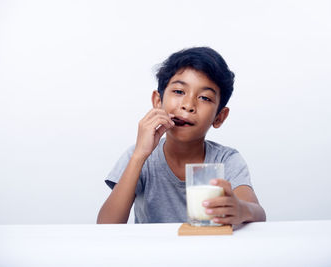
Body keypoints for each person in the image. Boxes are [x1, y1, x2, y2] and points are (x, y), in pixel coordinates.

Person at [97, 47, 266, 225]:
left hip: (208, 250)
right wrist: (139, 155)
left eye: (204, 98)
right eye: (179, 92)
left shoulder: (226, 159)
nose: (188, 105)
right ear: (158, 101)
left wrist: (241, 209)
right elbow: (106, 226)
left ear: (219, 117)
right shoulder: (139, 155)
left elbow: (258, 213)